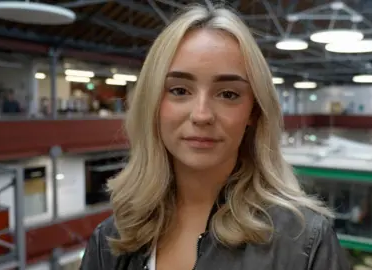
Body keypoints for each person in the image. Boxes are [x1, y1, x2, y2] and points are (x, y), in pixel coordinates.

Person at [81, 4, 349, 270]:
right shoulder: (111, 239)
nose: (201, 115)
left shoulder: (306, 244)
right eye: (179, 90)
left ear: (253, 111)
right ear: (152, 102)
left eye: (228, 94)